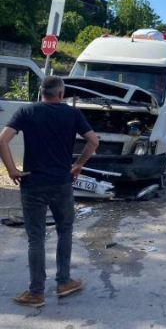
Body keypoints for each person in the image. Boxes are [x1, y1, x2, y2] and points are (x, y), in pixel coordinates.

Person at [0, 76, 99, 307]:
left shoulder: (27, 112)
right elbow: (93, 141)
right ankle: (64, 282)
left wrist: (12, 170)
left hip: (33, 184)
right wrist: (78, 165)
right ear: (61, 94)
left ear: (41, 92)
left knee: (36, 238)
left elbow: (2, 141)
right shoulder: (72, 114)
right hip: (61, 183)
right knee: (65, 231)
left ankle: (36, 293)